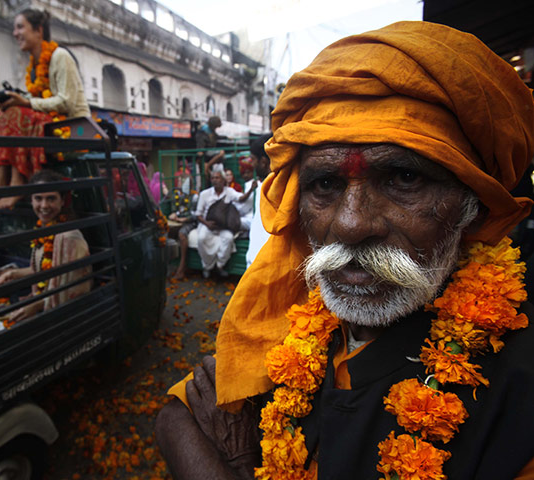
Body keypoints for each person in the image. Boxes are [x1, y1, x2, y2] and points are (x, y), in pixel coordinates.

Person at [155, 21, 534, 480]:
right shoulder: (288, 307)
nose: (351, 224)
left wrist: (235, 467)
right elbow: (175, 417)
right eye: (326, 184)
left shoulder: (518, 385)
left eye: (404, 178)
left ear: (472, 206)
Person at [0, 8, 90, 210]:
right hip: (49, 123)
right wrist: (17, 100)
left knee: (17, 113)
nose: (15, 33)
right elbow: (38, 101)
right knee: (5, 113)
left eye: (20, 27)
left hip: (76, 127)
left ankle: (18, 183)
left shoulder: (59, 56)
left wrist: (25, 103)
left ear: (38, 30)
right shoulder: (33, 65)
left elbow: (66, 102)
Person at [0, 170, 92, 322]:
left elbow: (71, 288)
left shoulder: (70, 238)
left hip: (63, 318)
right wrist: (13, 274)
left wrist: (36, 305)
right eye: (38, 198)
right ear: (31, 200)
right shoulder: (44, 230)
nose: (44, 205)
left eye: (51, 198)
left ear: (62, 201)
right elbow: (43, 271)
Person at [195, 170, 255, 279]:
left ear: (223, 180)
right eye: (213, 178)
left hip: (223, 226)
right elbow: (198, 214)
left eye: (217, 178)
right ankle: (207, 267)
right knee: (201, 238)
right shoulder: (205, 194)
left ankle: (219, 266)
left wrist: (251, 189)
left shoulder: (229, 192)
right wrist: (207, 224)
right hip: (208, 225)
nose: (215, 180)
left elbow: (241, 198)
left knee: (228, 238)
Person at [245, 134, 272, 268]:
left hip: (263, 265)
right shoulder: (263, 186)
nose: (252, 164)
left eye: (254, 159)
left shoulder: (273, 189)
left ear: (263, 161)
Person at [197, 116, 225, 183]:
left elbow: (217, 137)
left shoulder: (212, 131)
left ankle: (207, 166)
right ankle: (207, 165)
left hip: (210, 153)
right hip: (205, 153)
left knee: (209, 176)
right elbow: (200, 148)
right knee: (221, 153)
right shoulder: (203, 132)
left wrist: (226, 137)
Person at [233, 158, 256, 232]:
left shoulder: (252, 183)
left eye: (248, 172)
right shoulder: (247, 184)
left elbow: (245, 208)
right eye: (243, 173)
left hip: (251, 217)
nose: (245, 175)